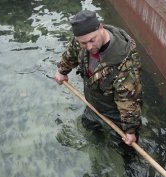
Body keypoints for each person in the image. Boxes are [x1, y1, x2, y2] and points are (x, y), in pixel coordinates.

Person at [54, 10, 143, 148]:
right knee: (90, 132)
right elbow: (71, 53)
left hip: (117, 116)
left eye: (92, 40)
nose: (89, 47)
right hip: (93, 106)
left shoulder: (125, 61)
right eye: (83, 43)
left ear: (101, 28)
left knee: (125, 149)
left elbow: (127, 99)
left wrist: (130, 130)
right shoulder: (81, 40)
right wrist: (62, 70)